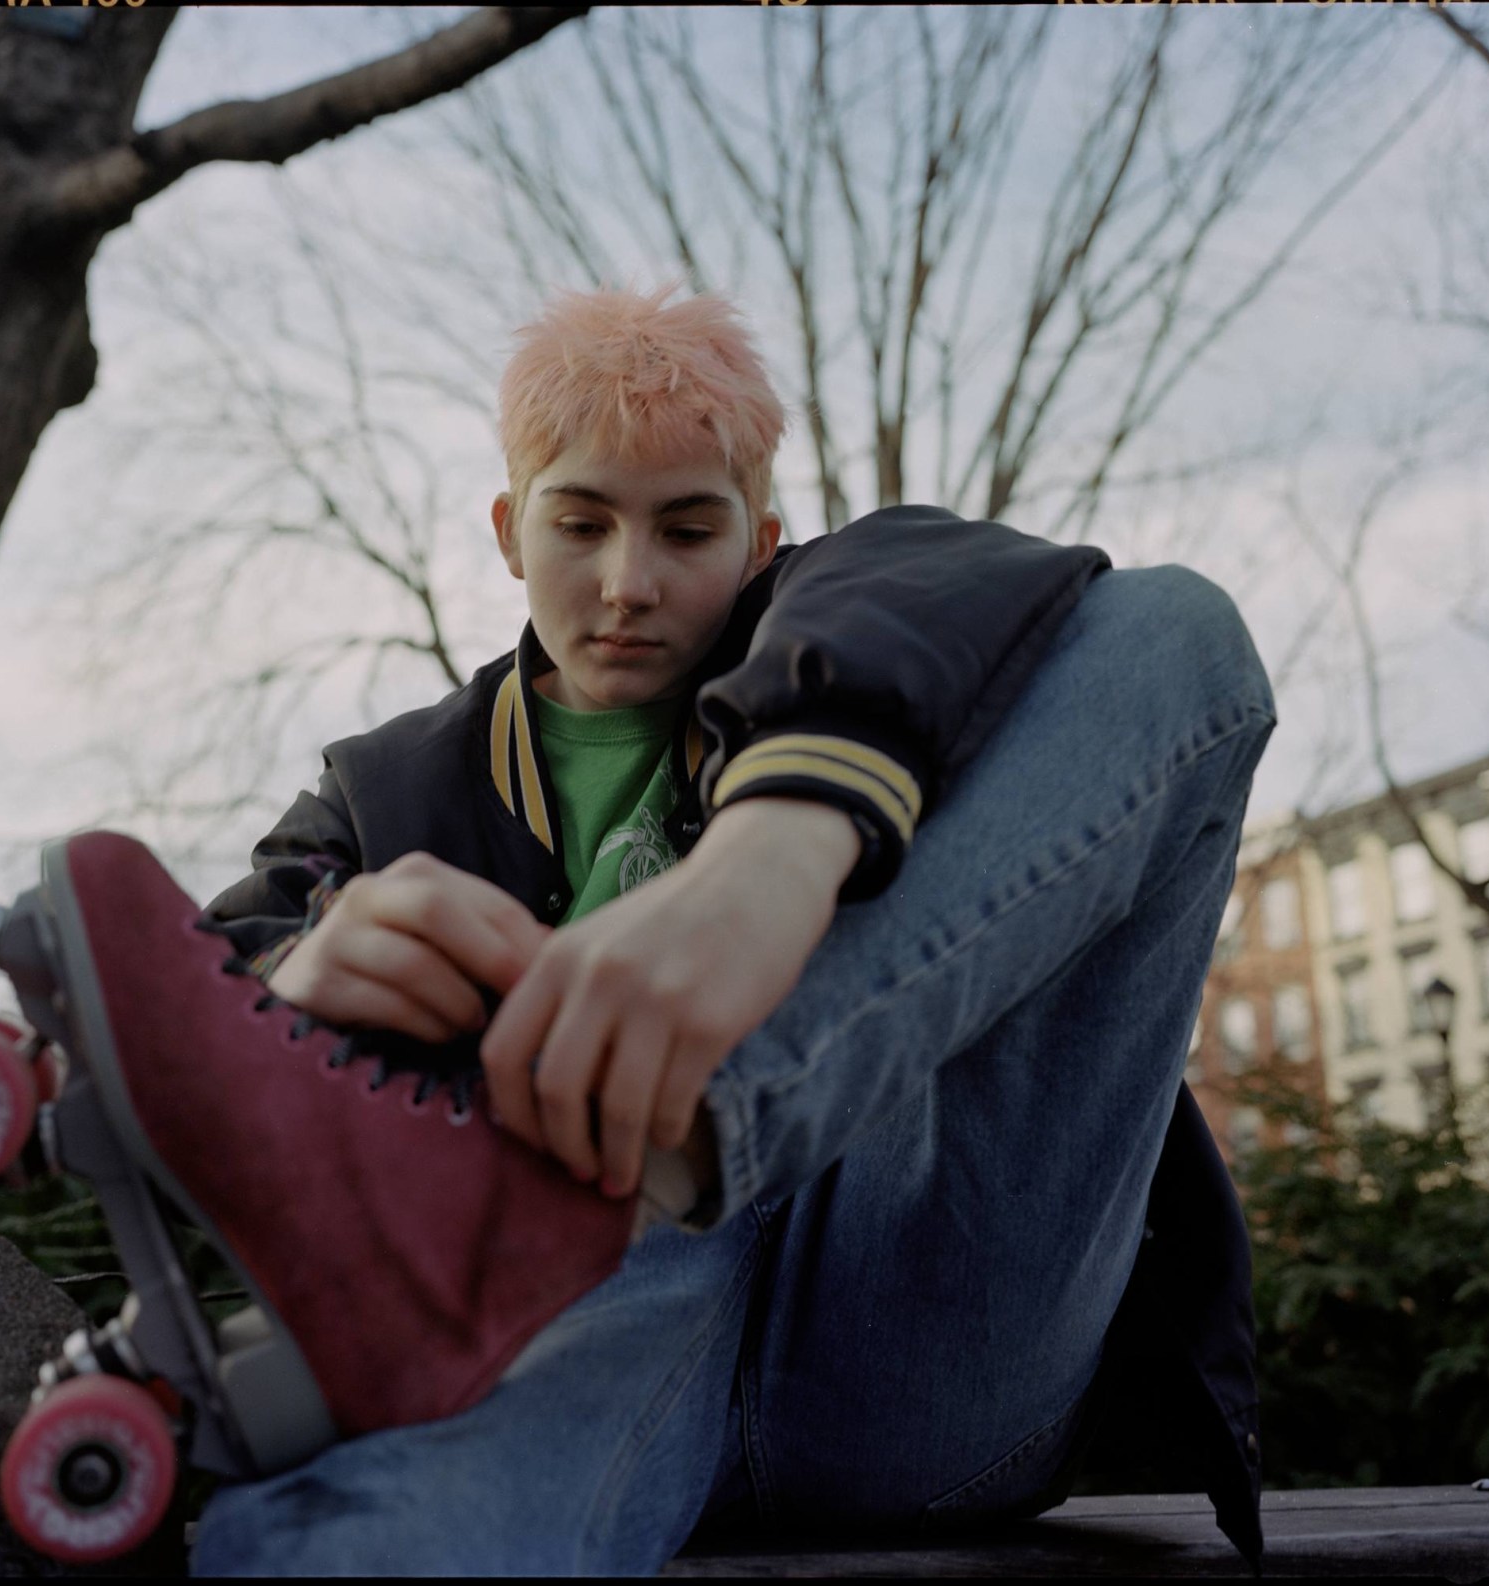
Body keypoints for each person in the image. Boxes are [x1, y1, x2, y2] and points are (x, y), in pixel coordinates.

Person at [188, 282, 1273, 1575]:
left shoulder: (838, 634)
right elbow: (176, 1018)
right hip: (573, 1351)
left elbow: (936, 573)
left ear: (762, 546)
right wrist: (296, 982)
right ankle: (607, 1189)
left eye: (686, 530)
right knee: (380, 1528)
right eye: (579, 523)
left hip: (911, 1347)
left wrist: (777, 853)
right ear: (506, 528)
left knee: (1176, 630)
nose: (627, 583)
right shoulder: (383, 790)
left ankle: (686, 1124)